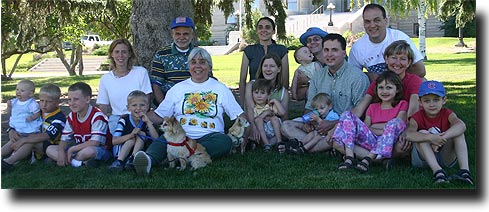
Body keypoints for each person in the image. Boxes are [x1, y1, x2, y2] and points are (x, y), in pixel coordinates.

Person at [132, 47, 247, 176]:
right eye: (193, 62)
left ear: (209, 67)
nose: (197, 66)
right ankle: (148, 160)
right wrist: (139, 117)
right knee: (163, 141)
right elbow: (160, 115)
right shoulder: (178, 89)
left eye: (202, 62)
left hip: (209, 137)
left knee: (224, 142)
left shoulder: (220, 89)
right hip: (180, 136)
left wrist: (245, 133)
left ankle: (179, 156)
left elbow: (239, 115)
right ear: (189, 66)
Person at [280, 33, 369, 153]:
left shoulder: (358, 78)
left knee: (341, 132)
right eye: (326, 50)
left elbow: (360, 116)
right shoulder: (318, 76)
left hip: (343, 127)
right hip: (318, 124)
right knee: (286, 126)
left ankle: (303, 146)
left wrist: (332, 124)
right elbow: (308, 107)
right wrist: (309, 122)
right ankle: (325, 147)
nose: (329, 54)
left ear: (344, 53)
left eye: (334, 50)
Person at [351, 40, 423, 161]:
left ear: (409, 62)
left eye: (403, 59)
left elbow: (414, 108)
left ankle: (371, 157)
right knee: (345, 136)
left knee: (401, 146)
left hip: (401, 126)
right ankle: (380, 158)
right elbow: (361, 106)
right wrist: (337, 126)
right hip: (378, 130)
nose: (397, 63)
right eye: (393, 58)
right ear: (386, 59)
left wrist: (408, 131)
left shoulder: (413, 80)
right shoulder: (380, 81)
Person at [332, 71, 408, 173]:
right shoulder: (372, 107)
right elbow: (366, 128)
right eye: (381, 88)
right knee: (346, 114)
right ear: (376, 89)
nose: (384, 91)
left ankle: (368, 159)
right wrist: (385, 129)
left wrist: (377, 127)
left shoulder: (402, 104)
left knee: (394, 123)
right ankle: (349, 157)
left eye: (389, 87)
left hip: (390, 143)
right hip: (371, 140)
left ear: (397, 89)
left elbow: (398, 126)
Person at [406, 80, 474, 185]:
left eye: (436, 100)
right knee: (422, 133)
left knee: (458, 132)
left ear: (444, 100)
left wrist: (440, 138)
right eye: (427, 101)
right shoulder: (416, 117)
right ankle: (438, 172)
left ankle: (465, 172)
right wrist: (430, 138)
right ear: (420, 102)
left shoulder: (448, 113)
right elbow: (409, 134)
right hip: (423, 159)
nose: (432, 104)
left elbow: (461, 125)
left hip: (445, 156)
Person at [348, 3, 426, 82]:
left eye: (377, 20)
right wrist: (368, 75)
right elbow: (353, 77)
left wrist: (386, 78)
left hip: (403, 84)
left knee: (423, 82)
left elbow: (420, 71)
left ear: (386, 21)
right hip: (377, 89)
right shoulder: (357, 48)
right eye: (367, 21)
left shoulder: (399, 38)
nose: (372, 25)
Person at [2, 84, 66, 173]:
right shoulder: (37, 112)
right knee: (16, 138)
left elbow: (47, 136)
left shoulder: (59, 117)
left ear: (57, 102)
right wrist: (11, 130)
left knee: (30, 141)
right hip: (35, 143)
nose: (44, 104)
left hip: (51, 147)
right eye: (41, 101)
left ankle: (8, 162)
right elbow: (19, 122)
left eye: (48, 102)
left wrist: (24, 140)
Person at [46, 82, 112, 168]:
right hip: (78, 148)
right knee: (49, 149)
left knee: (89, 151)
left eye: (76, 99)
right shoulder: (71, 116)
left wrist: (71, 150)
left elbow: (95, 142)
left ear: (87, 100)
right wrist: (62, 151)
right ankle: (78, 162)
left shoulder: (97, 116)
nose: (71, 103)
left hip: (99, 149)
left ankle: (65, 160)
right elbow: (64, 139)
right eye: (69, 99)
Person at [150, 16, 214, 105]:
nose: (181, 37)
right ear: (172, 34)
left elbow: (209, 80)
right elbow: (156, 85)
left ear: (192, 34)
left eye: (185, 34)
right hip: (170, 102)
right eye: (178, 34)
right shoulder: (162, 54)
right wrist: (165, 108)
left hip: (196, 102)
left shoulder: (200, 54)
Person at [97, 38, 153, 134]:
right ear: (112, 54)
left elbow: (147, 98)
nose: (120, 55)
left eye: (124, 52)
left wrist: (139, 117)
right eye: (117, 52)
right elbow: (103, 106)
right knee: (117, 142)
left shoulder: (140, 72)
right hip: (116, 119)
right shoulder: (106, 79)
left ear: (129, 54)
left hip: (137, 118)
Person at [239, 17, 289, 105]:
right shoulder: (249, 50)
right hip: (255, 95)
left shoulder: (281, 50)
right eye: (260, 27)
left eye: (267, 27)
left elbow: (285, 79)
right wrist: (243, 103)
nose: (263, 30)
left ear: (273, 31)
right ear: (257, 31)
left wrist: (283, 101)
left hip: (274, 96)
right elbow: (242, 79)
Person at [244, 53, 289, 147]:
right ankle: (264, 141)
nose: (268, 69)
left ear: (279, 69)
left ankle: (268, 142)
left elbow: (284, 118)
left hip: (272, 127)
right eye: (265, 66)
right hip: (255, 123)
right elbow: (250, 109)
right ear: (261, 68)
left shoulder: (283, 92)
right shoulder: (252, 85)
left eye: (272, 66)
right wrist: (253, 127)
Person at [108, 90, 159, 173]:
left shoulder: (146, 121)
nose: (138, 108)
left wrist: (148, 122)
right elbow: (114, 141)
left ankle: (132, 159)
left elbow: (156, 139)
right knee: (132, 139)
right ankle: (119, 162)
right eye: (134, 105)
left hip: (139, 152)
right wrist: (131, 135)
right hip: (121, 151)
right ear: (128, 108)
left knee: (141, 134)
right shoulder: (124, 120)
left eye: (142, 105)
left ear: (147, 107)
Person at [251, 78, 286, 151]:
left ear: (268, 95)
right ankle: (267, 144)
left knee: (274, 119)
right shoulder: (254, 108)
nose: (259, 96)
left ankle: (279, 142)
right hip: (263, 133)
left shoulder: (270, 105)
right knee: (258, 120)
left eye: (262, 93)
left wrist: (275, 101)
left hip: (274, 132)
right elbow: (254, 120)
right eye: (256, 92)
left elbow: (282, 113)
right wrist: (265, 114)